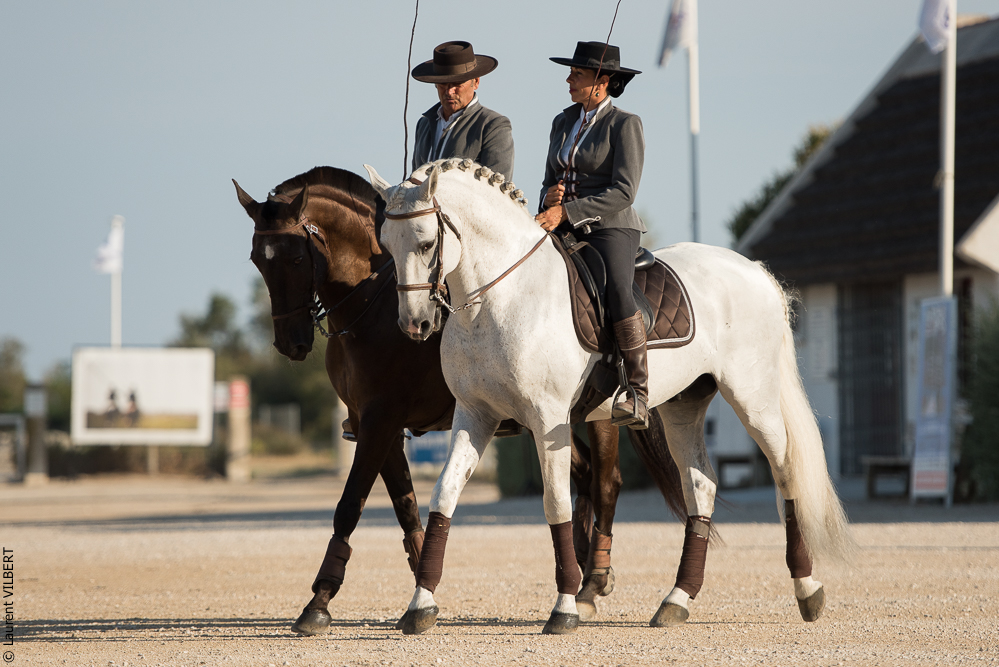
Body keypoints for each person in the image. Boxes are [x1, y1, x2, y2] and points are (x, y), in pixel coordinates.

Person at [535, 41, 648, 429]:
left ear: (601, 82)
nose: (568, 80)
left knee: (617, 288)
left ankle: (637, 390)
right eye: (570, 73)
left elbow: (624, 191)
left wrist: (568, 210)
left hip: (611, 226)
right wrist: (548, 198)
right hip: (560, 222)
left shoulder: (625, 124)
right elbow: (548, 179)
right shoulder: (562, 121)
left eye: (577, 74)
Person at [411, 41, 514, 181]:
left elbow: (497, 188)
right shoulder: (424, 124)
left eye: (457, 84)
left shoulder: (493, 125)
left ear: (476, 82)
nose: (449, 91)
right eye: (443, 84)